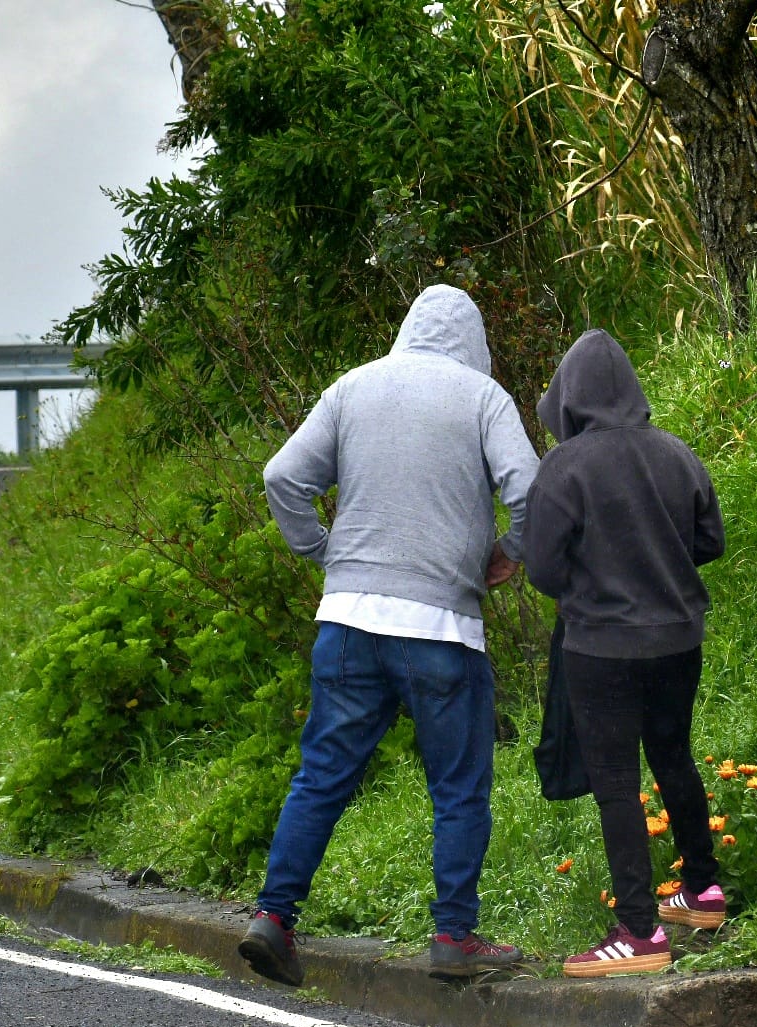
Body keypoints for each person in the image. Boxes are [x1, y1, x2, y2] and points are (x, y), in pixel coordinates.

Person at [238, 284, 540, 987]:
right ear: (475, 343)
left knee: (322, 775)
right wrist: (510, 551)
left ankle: (274, 919)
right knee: (459, 787)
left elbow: (282, 475)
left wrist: (322, 550)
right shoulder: (481, 397)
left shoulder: (353, 388)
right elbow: (528, 488)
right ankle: (454, 938)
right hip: (440, 629)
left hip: (347, 623)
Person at [519, 328, 727, 978]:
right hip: (677, 638)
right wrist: (658, 567)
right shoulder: (677, 453)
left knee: (616, 783)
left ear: (570, 398)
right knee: (674, 758)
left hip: (601, 649)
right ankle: (704, 891)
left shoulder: (565, 467)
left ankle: (639, 932)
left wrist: (594, 584)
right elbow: (710, 540)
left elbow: (542, 568)